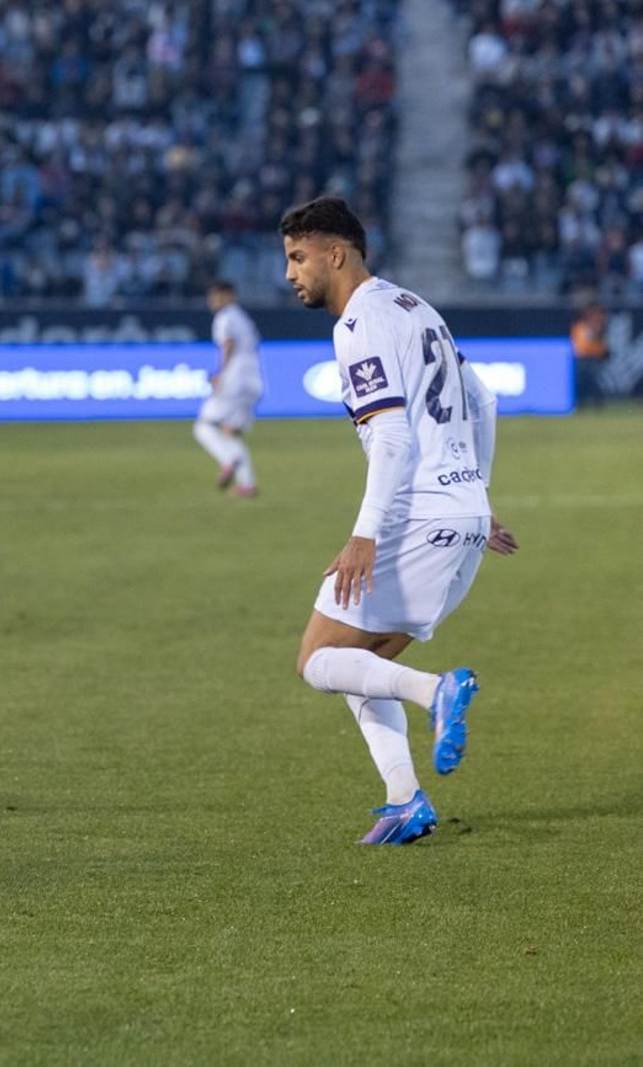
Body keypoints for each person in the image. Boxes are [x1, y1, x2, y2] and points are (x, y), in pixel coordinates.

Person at [280, 196, 518, 846]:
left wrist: (364, 533)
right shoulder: (416, 308)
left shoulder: (358, 324)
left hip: (417, 520)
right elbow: (483, 397)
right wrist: (478, 491)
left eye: (299, 257)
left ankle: (436, 689)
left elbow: (391, 437)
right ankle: (405, 798)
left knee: (317, 657)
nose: (291, 273)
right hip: (461, 519)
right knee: (358, 659)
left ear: (337, 253)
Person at [191, 280, 264, 497]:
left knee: (203, 426)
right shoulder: (242, 317)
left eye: (215, 296)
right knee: (231, 434)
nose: (212, 301)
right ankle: (247, 485)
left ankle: (228, 460)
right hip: (253, 380)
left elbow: (229, 344)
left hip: (234, 380)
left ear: (228, 295)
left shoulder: (224, 317)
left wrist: (220, 375)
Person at [569, 303, 609, 409]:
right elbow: (577, 343)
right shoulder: (579, 326)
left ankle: (598, 404)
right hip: (581, 357)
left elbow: (601, 343)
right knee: (580, 381)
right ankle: (580, 403)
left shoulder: (597, 325)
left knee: (594, 381)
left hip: (593, 358)